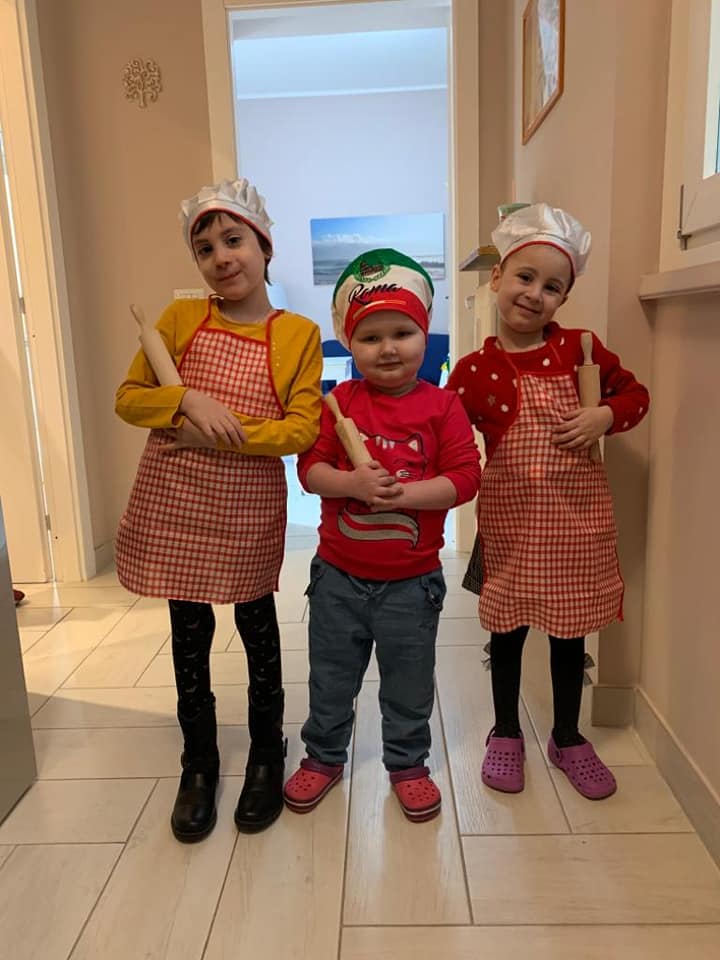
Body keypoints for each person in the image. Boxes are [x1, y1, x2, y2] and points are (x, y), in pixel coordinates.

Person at [115, 178, 323, 840]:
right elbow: (128, 397)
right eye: (204, 249)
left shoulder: (298, 334)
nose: (221, 258)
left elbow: (300, 429)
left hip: (246, 507)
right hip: (175, 499)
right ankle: (198, 762)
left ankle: (266, 752)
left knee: (257, 628)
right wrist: (184, 400)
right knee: (188, 634)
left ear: (264, 246)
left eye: (233, 240)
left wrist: (220, 433)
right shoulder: (179, 321)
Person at [447, 203, 649, 800]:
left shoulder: (581, 350)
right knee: (506, 632)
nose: (535, 294)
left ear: (564, 297)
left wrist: (604, 415)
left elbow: (636, 395)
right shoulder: (474, 370)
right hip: (512, 526)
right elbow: (445, 437)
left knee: (570, 634)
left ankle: (567, 735)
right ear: (497, 278)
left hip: (576, 525)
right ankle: (506, 732)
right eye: (525, 277)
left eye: (552, 286)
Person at [283, 249, 481, 822]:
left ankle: (407, 763)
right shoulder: (339, 402)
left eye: (403, 333)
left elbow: (465, 478)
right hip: (338, 579)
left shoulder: (443, 407)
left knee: (408, 683)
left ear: (425, 333)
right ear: (349, 342)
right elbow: (310, 471)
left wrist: (402, 495)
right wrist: (351, 482)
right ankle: (323, 756)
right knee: (330, 678)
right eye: (370, 337)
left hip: (411, 584)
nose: (388, 348)